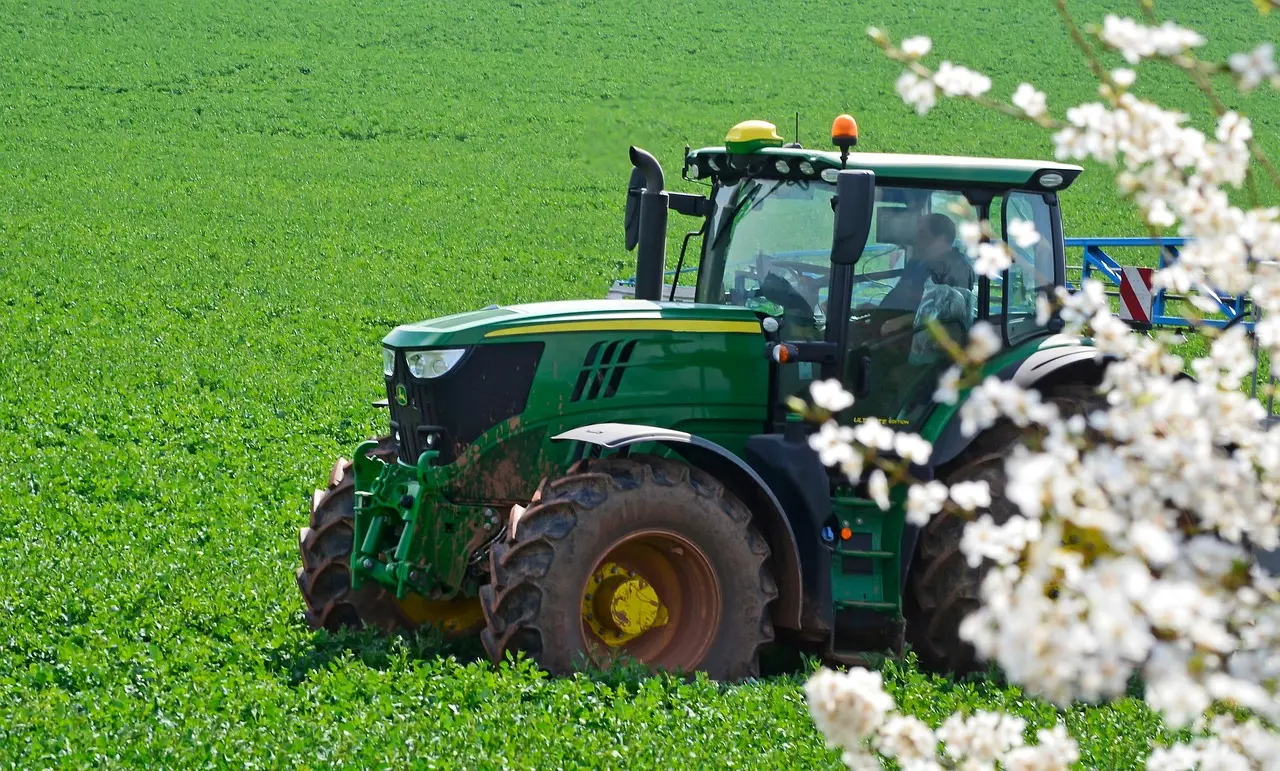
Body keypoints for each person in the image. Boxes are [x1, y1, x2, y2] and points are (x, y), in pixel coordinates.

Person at [872, 213, 976, 338]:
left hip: (917, 339)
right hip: (888, 329)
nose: (916, 240)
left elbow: (948, 316)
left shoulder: (956, 267)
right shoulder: (919, 262)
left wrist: (902, 321)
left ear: (941, 239)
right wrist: (877, 310)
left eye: (921, 234)